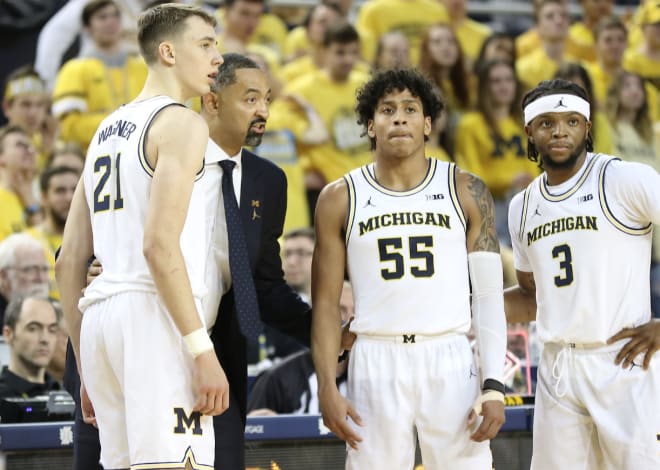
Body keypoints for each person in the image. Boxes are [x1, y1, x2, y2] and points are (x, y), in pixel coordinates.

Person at [67, 52, 315, 470]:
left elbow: (266, 287)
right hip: (133, 333)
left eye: (268, 99)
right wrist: (104, 264)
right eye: (251, 98)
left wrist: (326, 336)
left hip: (208, 355)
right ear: (213, 100)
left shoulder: (267, 180)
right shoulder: (159, 141)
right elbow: (79, 254)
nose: (264, 111)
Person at [55, 4, 227, 470]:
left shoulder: (105, 130)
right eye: (207, 45)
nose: (218, 59)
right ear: (168, 52)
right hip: (153, 316)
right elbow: (158, 246)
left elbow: (68, 260)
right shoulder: (181, 122)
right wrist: (201, 349)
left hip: (101, 322)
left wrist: (88, 365)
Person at [312, 68, 507, 468]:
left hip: (450, 355)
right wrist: (327, 386)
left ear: (428, 123)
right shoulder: (338, 197)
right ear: (370, 125)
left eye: (410, 109)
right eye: (387, 110)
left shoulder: (466, 189)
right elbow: (326, 304)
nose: (399, 118)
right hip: (375, 359)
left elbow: (488, 296)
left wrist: (494, 385)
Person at [505, 78, 660, 469]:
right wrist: (459, 309)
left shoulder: (624, 179)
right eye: (547, 123)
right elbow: (532, 298)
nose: (559, 131)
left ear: (587, 128)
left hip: (623, 362)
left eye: (572, 121)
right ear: (529, 131)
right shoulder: (522, 207)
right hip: (558, 369)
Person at [248, 280, 353, 416]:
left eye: (356, 311)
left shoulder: (374, 377)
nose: (351, 319)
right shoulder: (278, 379)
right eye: (341, 310)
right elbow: (252, 428)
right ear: (316, 315)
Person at [0, 295, 61, 400]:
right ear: (8, 334)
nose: (45, 339)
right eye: (33, 328)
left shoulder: (69, 395)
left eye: (52, 330)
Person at [0, 233, 51, 324]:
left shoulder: (55, 312)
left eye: (45, 269)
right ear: (4, 275)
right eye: (30, 269)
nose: (41, 278)